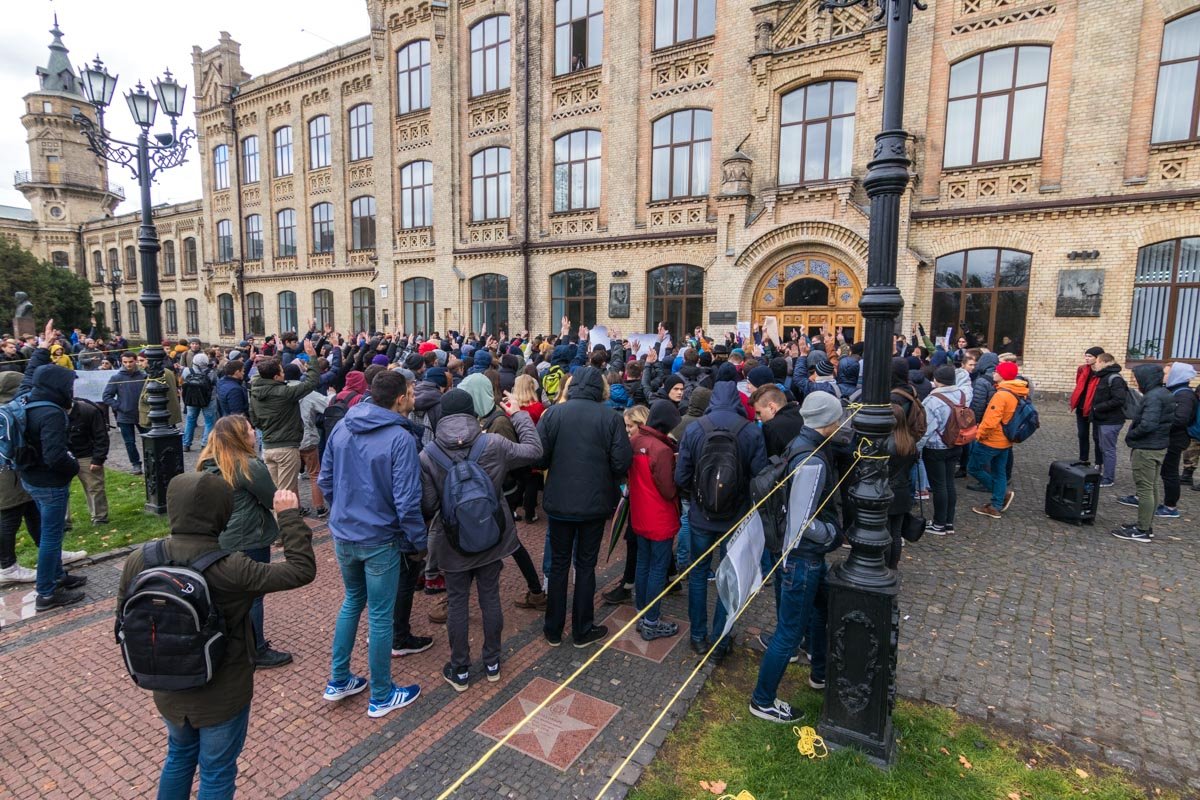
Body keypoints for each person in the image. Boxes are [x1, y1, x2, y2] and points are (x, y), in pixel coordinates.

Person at [116, 474, 316, 799]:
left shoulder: (141, 559)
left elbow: (121, 618)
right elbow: (300, 570)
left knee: (178, 757)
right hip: (222, 692)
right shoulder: (231, 567)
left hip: (165, 684)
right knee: (217, 771)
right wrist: (288, 516)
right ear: (224, 513)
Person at [318, 370, 424, 717]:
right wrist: (418, 542)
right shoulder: (400, 438)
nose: (414, 397)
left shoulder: (343, 427)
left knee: (352, 602)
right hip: (379, 539)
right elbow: (407, 500)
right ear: (399, 399)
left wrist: (342, 512)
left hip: (345, 534)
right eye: (411, 392)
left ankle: (339, 679)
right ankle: (381, 694)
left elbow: (325, 479)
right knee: (380, 616)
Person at [423, 388, 543, 691]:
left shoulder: (428, 454)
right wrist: (518, 414)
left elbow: (426, 505)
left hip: (452, 541)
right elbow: (534, 450)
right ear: (472, 412)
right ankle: (492, 662)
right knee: (490, 597)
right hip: (493, 534)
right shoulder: (494, 443)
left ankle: (460, 669)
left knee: (458, 602)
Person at [749, 392, 844, 723]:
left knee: (820, 611)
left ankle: (819, 671)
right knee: (788, 633)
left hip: (804, 556)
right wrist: (831, 534)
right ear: (827, 421)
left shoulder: (802, 441)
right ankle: (762, 700)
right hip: (802, 556)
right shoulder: (812, 457)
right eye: (838, 417)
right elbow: (800, 520)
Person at [538, 365, 632, 648]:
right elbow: (621, 462)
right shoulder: (611, 417)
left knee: (559, 565)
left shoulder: (554, 413)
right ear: (600, 389)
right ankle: (582, 628)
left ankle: (553, 629)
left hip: (559, 502)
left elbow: (539, 458)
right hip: (594, 503)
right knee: (585, 565)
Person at [675, 381, 767, 657]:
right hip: (735, 518)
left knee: (699, 575)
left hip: (701, 516)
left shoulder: (694, 429)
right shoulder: (750, 431)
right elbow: (759, 476)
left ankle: (698, 636)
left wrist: (695, 496)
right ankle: (721, 640)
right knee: (729, 578)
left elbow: (680, 476)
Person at [197, 416, 293, 668]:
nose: (255, 433)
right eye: (251, 430)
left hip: (220, 536)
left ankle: (236, 642)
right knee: (253, 594)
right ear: (241, 436)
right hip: (250, 536)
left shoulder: (207, 463)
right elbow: (272, 498)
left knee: (231, 593)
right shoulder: (248, 465)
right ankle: (256, 649)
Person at [16, 349, 88, 611]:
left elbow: (29, 375)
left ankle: (58, 576)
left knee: (49, 534)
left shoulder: (26, 398)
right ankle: (46, 592)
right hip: (49, 483)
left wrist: (42, 350)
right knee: (51, 537)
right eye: (68, 385)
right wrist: (72, 467)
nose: (70, 389)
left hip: (30, 476)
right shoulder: (51, 414)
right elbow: (56, 455)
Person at [628, 400, 682, 641]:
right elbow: (668, 490)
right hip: (659, 516)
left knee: (643, 562)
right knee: (658, 568)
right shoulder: (662, 450)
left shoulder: (635, 441)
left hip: (639, 513)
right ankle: (651, 620)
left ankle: (642, 611)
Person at [1111, 365, 1175, 542]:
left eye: (1137, 378)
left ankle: (1142, 530)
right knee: (1152, 486)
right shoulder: (1164, 393)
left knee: (1145, 488)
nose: (1135, 382)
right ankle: (1146, 524)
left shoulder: (1153, 397)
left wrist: (1132, 434)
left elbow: (1148, 424)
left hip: (1147, 449)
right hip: (1158, 446)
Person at [249, 340, 319, 497]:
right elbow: (311, 382)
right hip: (286, 448)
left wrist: (279, 353)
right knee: (285, 494)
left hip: (268, 447)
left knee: (275, 492)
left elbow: (254, 419)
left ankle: (276, 520)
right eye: (281, 372)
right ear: (275, 377)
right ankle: (285, 520)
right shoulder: (284, 392)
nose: (284, 373)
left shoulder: (254, 391)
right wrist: (313, 357)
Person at [969, 361, 1026, 520]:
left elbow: (991, 420)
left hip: (992, 440)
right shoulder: (1018, 391)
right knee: (999, 471)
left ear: (1003, 376)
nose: (994, 373)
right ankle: (996, 504)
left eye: (997, 371)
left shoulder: (1001, 395)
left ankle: (999, 496)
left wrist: (979, 434)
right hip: (1006, 440)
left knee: (973, 467)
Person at [917, 365, 968, 535]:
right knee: (949, 483)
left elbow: (926, 429)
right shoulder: (961, 395)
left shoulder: (932, 400)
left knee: (939, 486)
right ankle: (948, 522)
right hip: (956, 443)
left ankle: (939, 523)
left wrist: (917, 448)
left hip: (936, 447)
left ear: (937, 380)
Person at [1, 372, 40, 585]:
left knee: (33, 511)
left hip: (17, 472)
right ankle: (7, 566)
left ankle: (50, 551)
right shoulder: (7, 411)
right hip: (7, 474)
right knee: (9, 517)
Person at [1158, 363, 1198, 519]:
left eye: (1167, 373)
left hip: (1175, 439)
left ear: (1177, 375)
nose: (1164, 376)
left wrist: (1160, 423)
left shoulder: (1184, 395)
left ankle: (1170, 507)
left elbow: (1180, 419)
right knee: (1166, 471)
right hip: (1172, 437)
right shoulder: (1176, 391)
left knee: (1170, 472)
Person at [65, 397, 109, 528]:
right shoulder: (52, 412)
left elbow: (101, 436)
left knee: (95, 487)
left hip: (86, 454)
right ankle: (63, 521)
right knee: (60, 490)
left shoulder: (88, 411)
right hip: (64, 456)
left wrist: (98, 459)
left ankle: (99, 517)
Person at [102, 352, 147, 475]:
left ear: (135, 361)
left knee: (148, 439)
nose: (128, 364)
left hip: (142, 414)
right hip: (124, 415)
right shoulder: (116, 378)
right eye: (125, 362)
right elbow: (106, 396)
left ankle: (150, 462)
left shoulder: (143, 376)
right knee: (129, 442)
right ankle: (136, 464)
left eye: (130, 362)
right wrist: (119, 406)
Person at [1089, 353, 1128, 488]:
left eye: (1097, 362)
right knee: (1103, 447)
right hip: (1103, 419)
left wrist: (1097, 407)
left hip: (1111, 420)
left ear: (1105, 362)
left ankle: (1108, 478)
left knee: (1108, 449)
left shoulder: (1114, 379)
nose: (1095, 365)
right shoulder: (1104, 376)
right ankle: (1103, 473)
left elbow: (1119, 400)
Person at [299, 372, 330, 517]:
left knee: (290, 475)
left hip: (288, 439)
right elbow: (327, 404)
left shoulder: (279, 392)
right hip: (307, 437)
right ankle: (319, 507)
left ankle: (295, 507)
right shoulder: (307, 393)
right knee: (314, 473)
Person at [1069, 347, 1105, 464]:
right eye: (1086, 356)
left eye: (1090, 356)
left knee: (1097, 437)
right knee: (1082, 434)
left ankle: (1099, 463)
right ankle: (1083, 459)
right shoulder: (1082, 369)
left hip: (1096, 408)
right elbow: (1079, 384)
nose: (1087, 358)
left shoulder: (1103, 372)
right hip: (1081, 406)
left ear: (1098, 358)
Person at [181, 353, 219, 452]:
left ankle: (186, 443)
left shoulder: (187, 371)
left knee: (190, 420)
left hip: (192, 398)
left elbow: (184, 379)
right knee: (209, 422)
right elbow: (216, 382)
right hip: (208, 399)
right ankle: (205, 444)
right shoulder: (211, 372)